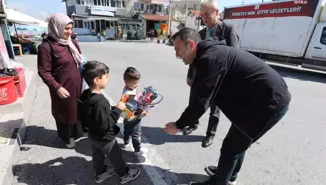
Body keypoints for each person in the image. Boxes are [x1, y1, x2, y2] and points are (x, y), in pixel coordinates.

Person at [164, 28, 291, 185]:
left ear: (190, 44)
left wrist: (178, 125)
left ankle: (219, 182)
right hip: (259, 100)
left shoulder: (211, 59)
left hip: (268, 103)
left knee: (232, 147)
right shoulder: (210, 53)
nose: (176, 54)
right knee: (238, 142)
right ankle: (229, 175)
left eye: (178, 49)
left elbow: (201, 102)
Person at [184, 0, 240, 149]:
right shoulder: (200, 33)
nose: (204, 18)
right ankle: (192, 123)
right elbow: (193, 57)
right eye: (202, 15)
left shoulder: (228, 29)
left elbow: (235, 56)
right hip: (199, 76)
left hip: (219, 79)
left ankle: (210, 133)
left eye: (207, 14)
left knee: (215, 109)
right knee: (194, 102)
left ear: (217, 13)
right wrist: (190, 75)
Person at [79, 61, 141, 184]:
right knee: (115, 156)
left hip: (92, 135)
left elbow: (95, 115)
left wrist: (111, 109)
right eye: (106, 77)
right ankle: (124, 175)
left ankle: (100, 172)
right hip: (106, 138)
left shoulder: (85, 95)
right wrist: (118, 109)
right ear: (97, 80)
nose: (108, 79)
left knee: (97, 155)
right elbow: (107, 124)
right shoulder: (101, 102)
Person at [37, 13, 83, 148]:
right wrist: (57, 87)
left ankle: (77, 133)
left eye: (70, 28)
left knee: (77, 110)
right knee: (65, 113)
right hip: (62, 87)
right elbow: (43, 72)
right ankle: (67, 137)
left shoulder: (71, 42)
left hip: (77, 84)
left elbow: (80, 61)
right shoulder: (46, 47)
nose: (69, 32)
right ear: (56, 27)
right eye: (65, 28)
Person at [122, 67, 147, 156]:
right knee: (136, 134)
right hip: (134, 118)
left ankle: (126, 142)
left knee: (127, 131)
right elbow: (134, 109)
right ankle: (137, 150)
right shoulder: (130, 94)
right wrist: (142, 113)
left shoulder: (126, 89)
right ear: (126, 82)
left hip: (126, 116)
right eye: (135, 83)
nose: (137, 85)